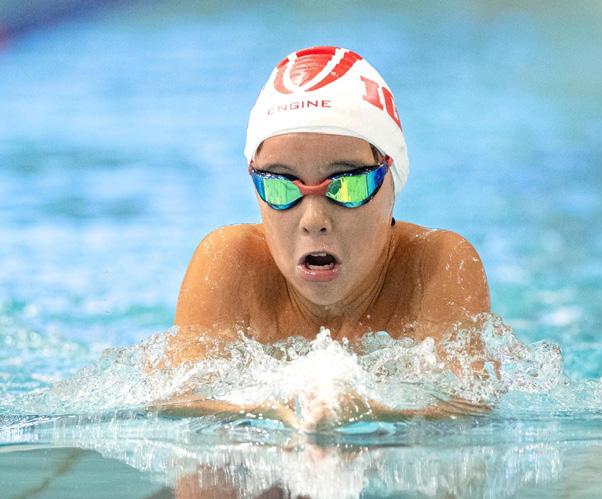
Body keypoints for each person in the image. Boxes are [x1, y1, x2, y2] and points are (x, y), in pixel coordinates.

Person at [158, 46, 491, 429]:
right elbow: (178, 402)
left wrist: (364, 410)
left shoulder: (435, 268)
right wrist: (272, 408)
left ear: (392, 181)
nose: (313, 220)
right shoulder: (230, 264)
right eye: (281, 186)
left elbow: (470, 413)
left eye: (347, 185)